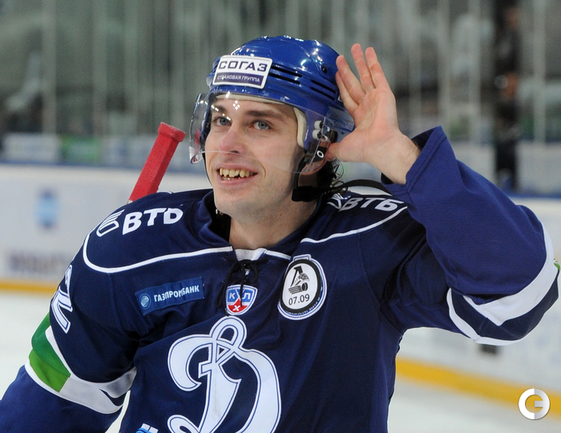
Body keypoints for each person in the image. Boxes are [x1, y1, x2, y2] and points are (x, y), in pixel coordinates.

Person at [0, 35, 558, 433]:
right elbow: (55, 399)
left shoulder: (371, 243)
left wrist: (403, 158)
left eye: (260, 123)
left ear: (318, 146)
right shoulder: (130, 249)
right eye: (221, 119)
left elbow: (519, 294)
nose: (226, 144)